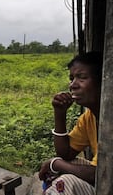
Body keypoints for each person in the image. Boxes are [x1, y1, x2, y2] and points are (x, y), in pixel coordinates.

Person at [39, 51, 103, 195]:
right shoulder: (89, 118)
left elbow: (100, 174)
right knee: (67, 165)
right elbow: (66, 153)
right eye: (72, 78)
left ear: (103, 81)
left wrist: (54, 163)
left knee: (65, 181)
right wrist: (60, 113)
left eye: (82, 78)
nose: (73, 85)